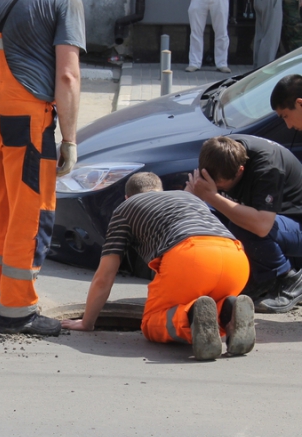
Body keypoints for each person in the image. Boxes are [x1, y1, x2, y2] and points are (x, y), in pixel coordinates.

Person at [0, 0, 92, 336]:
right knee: (32, 210)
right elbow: (68, 76)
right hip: (24, 115)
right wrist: (69, 139)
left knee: (5, 203)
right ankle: (18, 310)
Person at [61, 172, 254, 362]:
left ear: (127, 197)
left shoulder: (126, 208)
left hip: (190, 256)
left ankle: (191, 316)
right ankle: (230, 312)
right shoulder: (187, 197)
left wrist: (87, 323)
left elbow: (105, 276)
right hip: (236, 257)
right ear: (160, 190)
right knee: (209, 303)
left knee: (152, 322)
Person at [187, 132, 302, 313]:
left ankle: (287, 278)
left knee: (243, 225)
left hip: (295, 224)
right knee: (206, 213)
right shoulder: (219, 153)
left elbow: (262, 226)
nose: (219, 190)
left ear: (240, 170)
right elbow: (190, 197)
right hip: (271, 221)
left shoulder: (267, 168)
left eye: (222, 187)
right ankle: (254, 278)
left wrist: (211, 196)